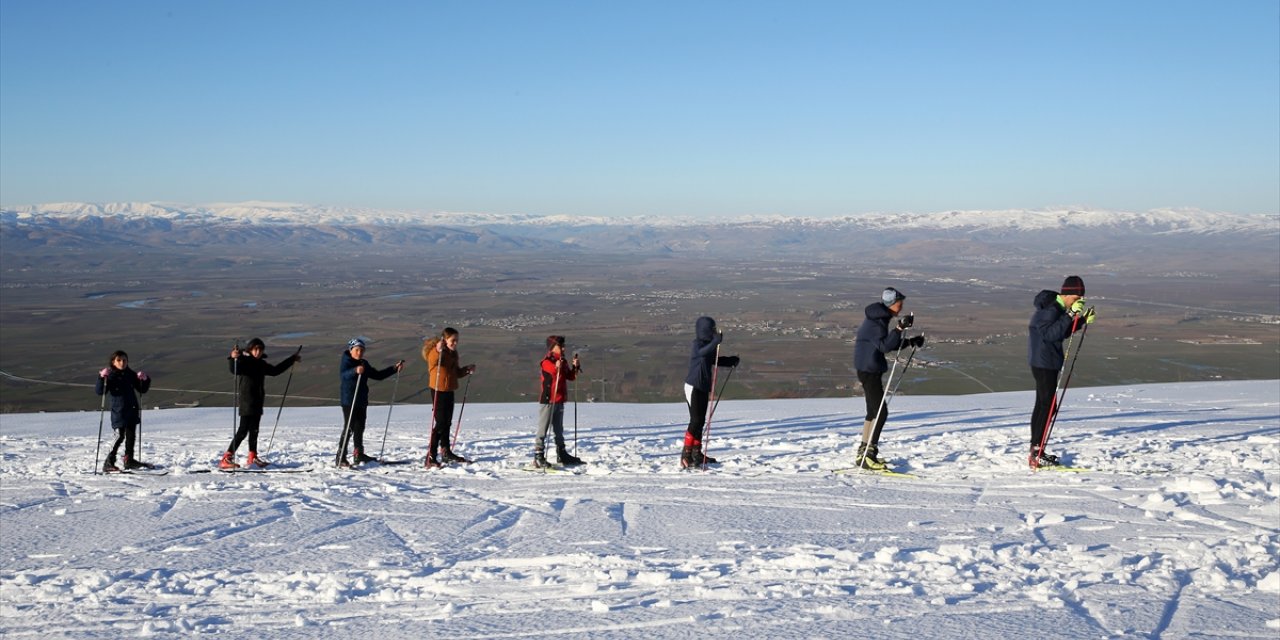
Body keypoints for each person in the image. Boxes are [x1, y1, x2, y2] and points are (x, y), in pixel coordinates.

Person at [853, 287, 925, 470]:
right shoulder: (877, 322)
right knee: (880, 413)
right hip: (869, 370)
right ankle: (869, 455)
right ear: (892, 304)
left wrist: (910, 342)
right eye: (900, 302)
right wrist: (900, 328)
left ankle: (864, 452)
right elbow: (885, 346)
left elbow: (884, 344)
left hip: (867, 369)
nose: (901, 306)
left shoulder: (878, 319)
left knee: (873, 412)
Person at [1028, 275, 1096, 468]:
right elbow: (1050, 335)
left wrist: (1081, 320)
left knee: (1045, 405)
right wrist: (1069, 316)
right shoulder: (1050, 310)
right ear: (1068, 295)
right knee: (1047, 406)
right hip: (1044, 363)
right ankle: (1036, 452)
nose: (1077, 303)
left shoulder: (1055, 309)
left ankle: (1036, 449)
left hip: (1044, 362)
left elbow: (1060, 332)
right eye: (1076, 300)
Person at [218, 338, 301, 470]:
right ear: (250, 350)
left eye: (260, 350)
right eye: (255, 349)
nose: (258, 352)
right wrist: (232, 358)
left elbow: (275, 371)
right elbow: (235, 370)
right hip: (247, 401)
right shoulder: (244, 362)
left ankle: (252, 457)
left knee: (254, 430)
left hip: (257, 401)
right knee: (243, 430)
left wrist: (291, 359)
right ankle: (226, 458)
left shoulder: (261, 364)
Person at [681, 316, 740, 468]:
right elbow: (702, 353)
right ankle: (686, 455)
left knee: (700, 421)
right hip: (693, 386)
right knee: (695, 421)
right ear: (705, 330)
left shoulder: (708, 345)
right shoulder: (697, 344)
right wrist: (715, 341)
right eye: (712, 329)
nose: (714, 331)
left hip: (703, 387)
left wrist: (730, 361)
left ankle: (697, 454)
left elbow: (713, 359)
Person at [338, 338, 404, 467]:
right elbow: (344, 375)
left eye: (362, 350)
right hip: (349, 400)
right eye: (357, 350)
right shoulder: (346, 362)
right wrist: (354, 371)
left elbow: (377, 375)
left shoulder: (364, 363)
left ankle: (358, 454)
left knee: (359, 428)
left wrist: (394, 369)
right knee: (349, 428)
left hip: (361, 400)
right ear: (351, 350)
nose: (359, 352)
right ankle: (341, 457)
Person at [422, 327, 476, 468]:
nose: (455, 343)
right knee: (440, 423)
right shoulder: (437, 352)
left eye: (457, 340)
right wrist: (437, 350)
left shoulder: (453, 353)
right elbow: (431, 361)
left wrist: (466, 370)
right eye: (453, 340)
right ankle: (431, 455)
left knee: (447, 422)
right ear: (445, 340)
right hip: (438, 390)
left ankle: (445, 450)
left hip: (449, 390)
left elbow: (456, 373)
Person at [95, 350, 152, 471]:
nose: (122, 363)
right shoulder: (110, 375)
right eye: (119, 360)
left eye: (124, 360)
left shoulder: (130, 374)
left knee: (131, 436)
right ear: (113, 362)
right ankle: (109, 462)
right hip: (119, 411)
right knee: (119, 436)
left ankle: (129, 460)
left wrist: (144, 379)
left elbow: (142, 389)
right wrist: (101, 378)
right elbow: (101, 392)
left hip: (131, 409)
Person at [532, 335, 583, 468]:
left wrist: (575, 367)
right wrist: (557, 366)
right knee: (543, 429)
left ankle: (562, 453)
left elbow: (570, 377)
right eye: (560, 346)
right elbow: (554, 372)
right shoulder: (547, 361)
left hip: (559, 399)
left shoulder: (562, 361)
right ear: (552, 348)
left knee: (559, 429)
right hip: (548, 400)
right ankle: (538, 456)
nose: (563, 348)